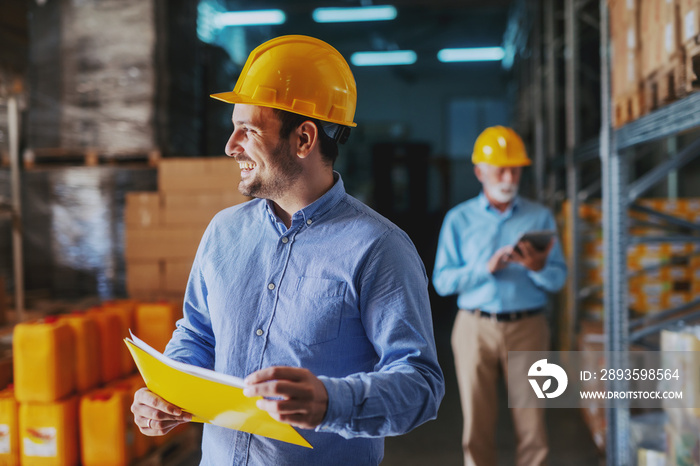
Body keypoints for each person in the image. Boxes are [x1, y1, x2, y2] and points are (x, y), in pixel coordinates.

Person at [130, 35, 444, 465]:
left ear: (304, 138)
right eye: (233, 126)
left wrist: (331, 403)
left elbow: (421, 387)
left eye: (249, 129)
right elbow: (198, 334)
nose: (230, 145)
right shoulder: (224, 232)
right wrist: (164, 395)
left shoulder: (379, 249)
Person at [432, 126, 567, 466]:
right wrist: (483, 268)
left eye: (515, 169)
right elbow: (442, 282)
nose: (509, 177)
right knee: (477, 422)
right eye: (500, 169)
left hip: (529, 327)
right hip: (474, 329)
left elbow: (558, 279)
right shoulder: (458, 220)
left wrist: (537, 267)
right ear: (480, 172)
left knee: (532, 423)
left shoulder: (540, 217)